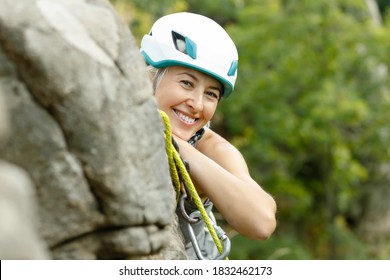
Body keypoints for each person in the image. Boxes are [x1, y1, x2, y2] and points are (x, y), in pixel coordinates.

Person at [140, 12, 277, 259]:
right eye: (186, 83)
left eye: (211, 94)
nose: (197, 104)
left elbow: (262, 222)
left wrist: (180, 147)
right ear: (150, 77)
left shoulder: (211, 148)